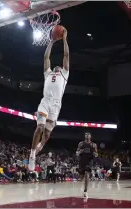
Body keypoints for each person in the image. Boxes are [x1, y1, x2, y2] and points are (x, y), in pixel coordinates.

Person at [28, 29, 69, 171]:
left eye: (59, 65)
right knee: (40, 127)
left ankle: (41, 145)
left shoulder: (64, 74)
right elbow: (46, 58)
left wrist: (64, 39)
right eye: (55, 65)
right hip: (45, 101)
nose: (57, 65)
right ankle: (32, 155)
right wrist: (51, 41)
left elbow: (66, 55)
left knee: (47, 133)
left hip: (56, 105)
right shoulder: (48, 73)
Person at [76, 132, 98, 199]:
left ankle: (85, 191)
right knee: (81, 177)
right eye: (86, 134)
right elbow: (77, 153)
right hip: (82, 161)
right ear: (84, 136)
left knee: (86, 174)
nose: (87, 135)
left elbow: (96, 154)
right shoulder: (81, 143)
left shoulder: (94, 145)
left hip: (89, 161)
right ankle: (82, 179)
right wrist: (80, 152)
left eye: (88, 134)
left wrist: (95, 154)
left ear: (90, 136)